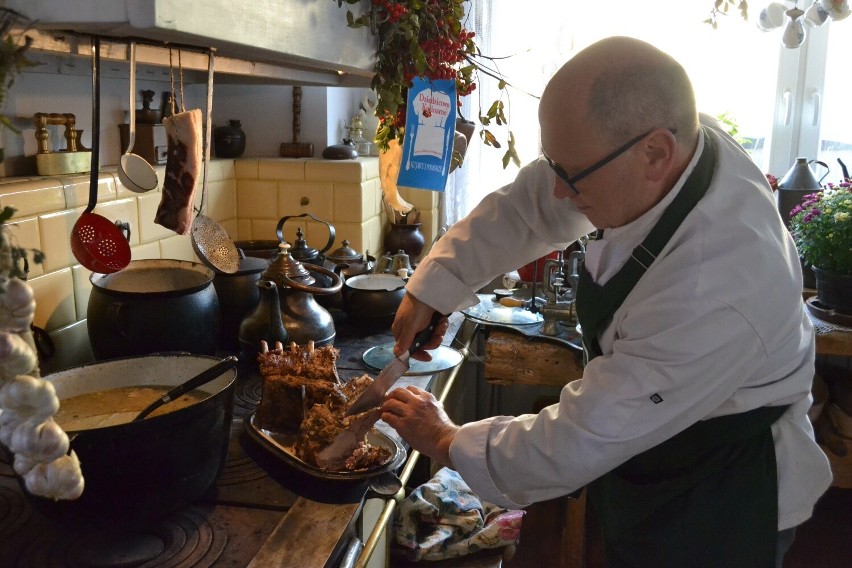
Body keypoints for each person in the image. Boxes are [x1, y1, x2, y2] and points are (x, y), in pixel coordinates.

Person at [380, 36, 833, 567]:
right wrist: (432, 288)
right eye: (557, 166)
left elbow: (580, 436)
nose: (558, 192)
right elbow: (533, 205)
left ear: (656, 153)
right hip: (657, 459)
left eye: (571, 176)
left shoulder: (715, 285)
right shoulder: (668, 148)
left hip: (724, 495)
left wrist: (447, 439)